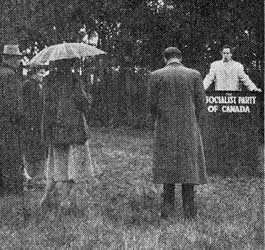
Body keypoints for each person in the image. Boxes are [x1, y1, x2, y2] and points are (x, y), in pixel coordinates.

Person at [149, 47, 208, 219]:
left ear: (164, 58)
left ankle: (167, 209)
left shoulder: (156, 75)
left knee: (168, 166)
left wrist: (159, 120)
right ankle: (189, 210)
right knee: (188, 166)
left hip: (165, 127)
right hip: (188, 127)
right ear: (180, 58)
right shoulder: (194, 75)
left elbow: (152, 105)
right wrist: (192, 119)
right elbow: (201, 103)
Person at [40, 59, 94, 210]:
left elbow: (46, 104)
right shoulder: (74, 79)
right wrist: (88, 98)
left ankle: (50, 199)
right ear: (70, 64)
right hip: (74, 130)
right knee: (75, 167)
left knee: (58, 166)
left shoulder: (48, 80)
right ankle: (69, 202)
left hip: (56, 130)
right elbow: (83, 103)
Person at [0, 44, 24, 194]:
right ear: (10, 59)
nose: (19, 61)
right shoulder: (10, 76)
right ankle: (11, 187)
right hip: (9, 121)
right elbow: (14, 102)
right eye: (17, 58)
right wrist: (20, 117)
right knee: (11, 153)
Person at [22, 67, 47, 186]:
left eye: (43, 72)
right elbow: (27, 105)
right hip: (32, 122)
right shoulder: (28, 85)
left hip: (39, 122)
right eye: (40, 73)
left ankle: (39, 176)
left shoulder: (39, 85)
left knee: (40, 148)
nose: (43, 75)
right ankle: (32, 177)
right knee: (32, 149)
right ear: (33, 73)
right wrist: (30, 122)